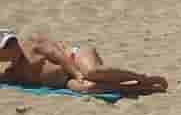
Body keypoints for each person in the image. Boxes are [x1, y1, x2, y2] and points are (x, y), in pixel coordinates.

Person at [0, 29, 167, 96]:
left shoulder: (33, 43)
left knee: (91, 73)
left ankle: (142, 78)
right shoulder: (13, 72)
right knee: (85, 89)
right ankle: (137, 88)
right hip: (65, 81)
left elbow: (59, 55)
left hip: (75, 58)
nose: (12, 46)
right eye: (6, 46)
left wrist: (77, 73)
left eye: (12, 41)